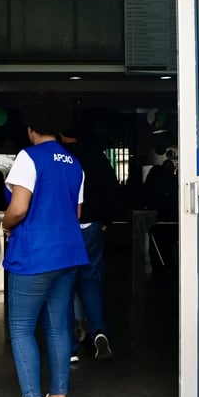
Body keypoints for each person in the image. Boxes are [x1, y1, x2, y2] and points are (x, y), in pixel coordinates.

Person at [0, 90, 87, 397]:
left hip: (35, 254)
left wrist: (6, 225)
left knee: (21, 329)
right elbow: (76, 213)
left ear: (31, 126)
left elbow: (18, 207)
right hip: (68, 253)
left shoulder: (29, 156)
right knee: (58, 327)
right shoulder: (74, 163)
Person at [60, 121, 123, 362]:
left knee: (65, 286)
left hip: (65, 227)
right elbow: (112, 188)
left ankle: (71, 348)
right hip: (92, 225)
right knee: (91, 282)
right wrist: (107, 219)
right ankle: (99, 332)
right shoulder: (96, 156)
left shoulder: (59, 156)